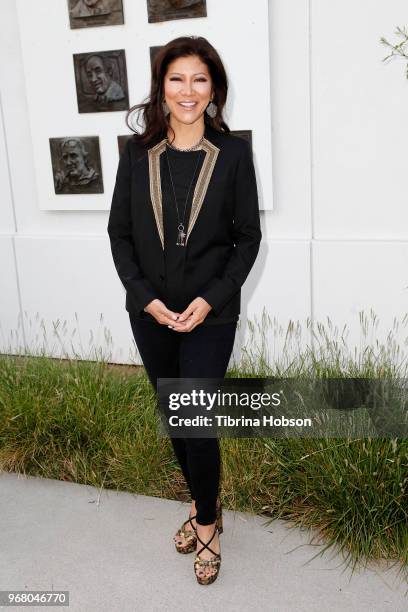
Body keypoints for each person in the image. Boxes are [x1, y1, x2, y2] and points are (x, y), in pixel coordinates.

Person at [107, 35, 262, 585]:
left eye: (199, 79)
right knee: (176, 418)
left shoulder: (235, 153)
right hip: (149, 313)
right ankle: (205, 502)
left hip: (209, 315)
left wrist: (209, 299)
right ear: (161, 87)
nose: (188, 90)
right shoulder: (135, 154)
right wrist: (144, 298)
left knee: (197, 421)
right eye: (177, 79)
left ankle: (207, 524)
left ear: (214, 87)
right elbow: (119, 235)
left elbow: (248, 239)